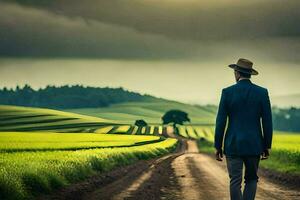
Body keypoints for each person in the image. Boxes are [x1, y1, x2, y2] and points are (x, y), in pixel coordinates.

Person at [214, 58, 273, 200]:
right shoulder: (262, 92)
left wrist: (218, 146)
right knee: (251, 179)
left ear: (236, 73)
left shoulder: (227, 92)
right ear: (250, 74)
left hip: (233, 144)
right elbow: (267, 121)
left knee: (235, 181)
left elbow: (221, 121)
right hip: (254, 144)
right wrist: (267, 145)